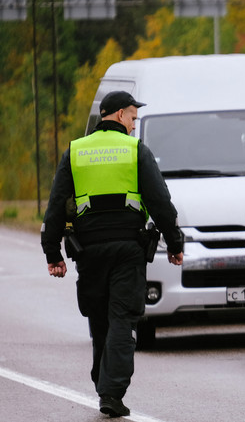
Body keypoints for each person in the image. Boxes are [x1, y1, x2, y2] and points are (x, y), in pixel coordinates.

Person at [41, 90, 184, 418]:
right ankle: (111, 390)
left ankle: (103, 382)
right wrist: (175, 245)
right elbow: (161, 203)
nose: (135, 125)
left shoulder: (75, 152)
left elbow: (55, 205)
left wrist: (53, 253)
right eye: (133, 117)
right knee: (123, 317)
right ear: (119, 115)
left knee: (100, 318)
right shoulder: (136, 151)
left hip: (88, 252)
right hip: (127, 250)